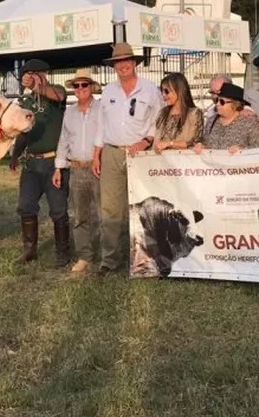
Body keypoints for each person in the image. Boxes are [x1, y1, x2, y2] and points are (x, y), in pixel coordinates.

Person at [92, 43, 163, 275]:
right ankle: (110, 259)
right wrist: (97, 153)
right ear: (114, 66)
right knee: (110, 209)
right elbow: (101, 125)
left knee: (143, 206)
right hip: (112, 151)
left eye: (126, 61)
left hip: (140, 154)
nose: (122, 65)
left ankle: (145, 258)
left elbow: (158, 122)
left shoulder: (150, 90)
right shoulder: (109, 91)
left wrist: (146, 142)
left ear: (134, 63)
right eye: (117, 62)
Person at [9, 58, 69, 268]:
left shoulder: (55, 92)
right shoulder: (25, 103)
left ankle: (62, 252)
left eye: (36, 73)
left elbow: (58, 95)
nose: (31, 76)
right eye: (28, 74)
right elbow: (23, 134)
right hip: (32, 163)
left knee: (58, 209)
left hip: (54, 161)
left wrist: (38, 85)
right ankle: (29, 250)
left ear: (44, 74)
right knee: (26, 206)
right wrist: (15, 155)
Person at [53, 68, 103, 275]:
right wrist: (58, 167)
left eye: (84, 84)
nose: (80, 88)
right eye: (77, 85)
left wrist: (97, 157)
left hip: (98, 166)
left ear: (91, 87)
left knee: (104, 213)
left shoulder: (101, 108)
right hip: (76, 168)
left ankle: (108, 254)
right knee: (80, 215)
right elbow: (64, 140)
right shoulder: (70, 112)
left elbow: (104, 133)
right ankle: (84, 256)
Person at [194, 83, 259, 154]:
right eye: (216, 100)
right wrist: (201, 146)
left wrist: (242, 151)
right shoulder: (211, 121)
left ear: (235, 104)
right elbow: (206, 143)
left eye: (222, 102)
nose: (217, 104)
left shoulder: (248, 122)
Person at [154, 72, 204, 152]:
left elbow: (194, 142)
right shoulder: (162, 113)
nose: (163, 95)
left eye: (167, 91)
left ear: (179, 90)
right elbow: (156, 141)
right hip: (164, 162)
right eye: (162, 91)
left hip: (187, 161)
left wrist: (169, 143)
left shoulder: (194, 113)